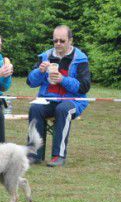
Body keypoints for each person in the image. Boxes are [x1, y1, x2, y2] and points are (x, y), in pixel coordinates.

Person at [27, 25, 91, 167]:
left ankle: (58, 155)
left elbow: (84, 86)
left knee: (63, 109)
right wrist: (39, 71)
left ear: (70, 41)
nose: (58, 44)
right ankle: (34, 154)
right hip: (48, 98)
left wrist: (63, 80)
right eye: (55, 41)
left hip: (74, 101)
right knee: (35, 108)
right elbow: (30, 82)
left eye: (62, 41)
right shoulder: (45, 56)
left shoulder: (80, 59)